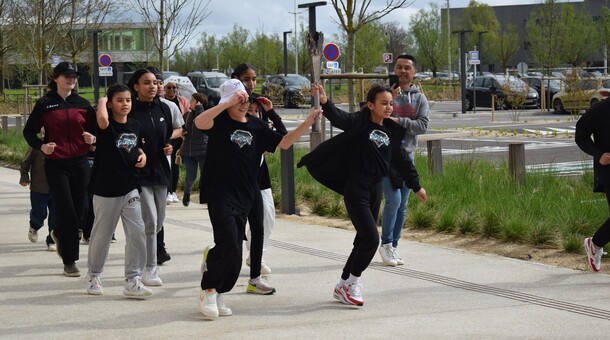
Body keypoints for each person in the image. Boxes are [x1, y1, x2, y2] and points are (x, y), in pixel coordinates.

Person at [194, 79, 321, 319]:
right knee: (229, 243)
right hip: (219, 192)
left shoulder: (257, 126)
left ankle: (220, 291)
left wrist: (307, 122)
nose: (243, 104)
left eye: (246, 100)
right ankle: (208, 289)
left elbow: (284, 143)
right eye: (238, 100)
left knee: (236, 252)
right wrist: (227, 103)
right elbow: (200, 122)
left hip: (245, 194)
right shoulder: (219, 121)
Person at [298, 84, 427, 306]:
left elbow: (402, 161)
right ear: (370, 105)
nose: (389, 107)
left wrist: (416, 186)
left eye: (391, 103)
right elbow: (340, 119)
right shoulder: (360, 122)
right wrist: (326, 102)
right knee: (370, 239)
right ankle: (352, 283)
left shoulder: (392, 131)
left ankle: (343, 284)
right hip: (356, 186)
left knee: (361, 240)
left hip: (375, 188)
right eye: (384, 103)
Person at [23, 61, 96, 277]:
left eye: (74, 76)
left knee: (81, 211)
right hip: (56, 164)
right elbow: (29, 132)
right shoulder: (45, 104)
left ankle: (58, 232)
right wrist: (42, 146)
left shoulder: (83, 104)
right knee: (66, 211)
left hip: (81, 163)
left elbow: (96, 134)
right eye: (67, 76)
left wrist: (94, 139)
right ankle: (70, 261)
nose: (72, 79)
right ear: (56, 79)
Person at [86, 84, 152, 298]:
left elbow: (135, 147)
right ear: (111, 103)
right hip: (106, 190)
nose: (125, 104)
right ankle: (94, 274)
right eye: (120, 100)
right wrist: (102, 101)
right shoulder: (106, 126)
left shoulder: (135, 124)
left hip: (129, 187)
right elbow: (103, 120)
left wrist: (143, 156)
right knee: (102, 236)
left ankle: (133, 280)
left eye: (128, 100)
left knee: (137, 232)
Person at [232, 63, 287, 289]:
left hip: (258, 176)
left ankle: (256, 265)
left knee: (265, 219)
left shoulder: (260, 104)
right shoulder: (228, 107)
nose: (252, 83)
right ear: (236, 79)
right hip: (234, 179)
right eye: (247, 78)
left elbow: (281, 137)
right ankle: (213, 257)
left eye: (255, 78)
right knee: (233, 232)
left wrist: (270, 113)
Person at [378, 54, 429, 267]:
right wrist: (390, 97)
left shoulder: (420, 98)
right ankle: (385, 243)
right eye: (398, 67)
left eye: (407, 67)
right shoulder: (385, 94)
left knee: (403, 205)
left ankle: (393, 247)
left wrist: (399, 121)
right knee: (394, 200)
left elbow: (423, 125)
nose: (402, 71)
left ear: (414, 72)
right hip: (385, 157)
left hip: (407, 156)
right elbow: (376, 118)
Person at [127, 68, 175, 285]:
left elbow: (171, 135)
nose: (153, 87)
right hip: (140, 173)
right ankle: (149, 269)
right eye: (147, 83)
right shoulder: (131, 111)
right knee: (150, 221)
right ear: (136, 86)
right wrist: (136, 151)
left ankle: (146, 262)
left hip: (161, 172)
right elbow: (125, 138)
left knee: (158, 222)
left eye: (155, 83)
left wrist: (170, 146)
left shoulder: (164, 108)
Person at [146, 66, 184, 265]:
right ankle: (152, 251)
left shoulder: (169, 107)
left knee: (158, 213)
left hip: (162, 164)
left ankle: (157, 247)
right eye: (152, 82)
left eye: (159, 82)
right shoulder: (136, 107)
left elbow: (179, 129)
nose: (158, 86)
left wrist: (168, 139)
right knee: (146, 214)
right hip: (140, 169)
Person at [576, 99, 610, 272]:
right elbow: (580, 133)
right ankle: (594, 245)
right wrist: (599, 155)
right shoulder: (602, 110)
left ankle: (594, 244)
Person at [20, 144, 57, 251]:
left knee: (56, 215)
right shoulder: (37, 145)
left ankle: (52, 240)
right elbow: (26, 161)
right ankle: (34, 226)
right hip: (39, 187)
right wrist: (24, 176)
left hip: (58, 187)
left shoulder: (63, 143)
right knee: (39, 213)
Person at [181, 92, 208, 207]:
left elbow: (201, 124)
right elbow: (181, 127)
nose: (189, 102)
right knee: (190, 176)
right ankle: (187, 193)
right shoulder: (186, 115)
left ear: (198, 102)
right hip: (188, 150)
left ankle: (204, 196)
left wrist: (199, 108)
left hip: (203, 150)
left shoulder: (205, 114)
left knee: (204, 175)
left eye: (192, 100)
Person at [163, 80, 189, 204]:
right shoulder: (162, 103)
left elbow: (187, 115)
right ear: (164, 88)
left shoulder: (182, 101)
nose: (172, 90)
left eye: (174, 87)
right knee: (167, 165)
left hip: (178, 138)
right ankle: (167, 191)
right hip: (165, 138)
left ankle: (173, 191)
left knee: (175, 163)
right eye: (169, 87)